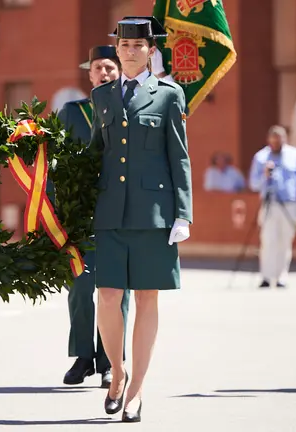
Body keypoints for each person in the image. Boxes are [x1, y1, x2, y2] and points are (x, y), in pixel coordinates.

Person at [91, 17, 192, 423]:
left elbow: (179, 156)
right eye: (124, 45)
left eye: (138, 45)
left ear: (151, 50)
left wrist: (183, 212)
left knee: (147, 297)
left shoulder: (169, 94)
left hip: (154, 213)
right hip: (109, 211)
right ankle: (117, 371)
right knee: (107, 297)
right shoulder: (101, 95)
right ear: (116, 49)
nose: (130, 51)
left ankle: (136, 391)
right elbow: (95, 154)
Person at [58, 45, 130, 389]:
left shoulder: (129, 110)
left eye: (110, 68)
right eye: (98, 68)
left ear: (120, 72)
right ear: (89, 74)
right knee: (80, 285)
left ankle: (111, 361)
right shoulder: (72, 113)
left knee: (117, 290)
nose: (104, 73)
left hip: (120, 211)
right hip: (81, 214)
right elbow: (56, 164)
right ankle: (83, 356)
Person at [248, 125, 296, 288]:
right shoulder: (261, 157)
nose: (276, 143)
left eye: (279, 140)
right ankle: (266, 276)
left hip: (290, 204)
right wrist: (264, 175)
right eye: (273, 140)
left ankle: (281, 276)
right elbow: (253, 184)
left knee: (285, 240)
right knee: (268, 240)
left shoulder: (295, 155)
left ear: (285, 139)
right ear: (269, 140)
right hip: (269, 203)